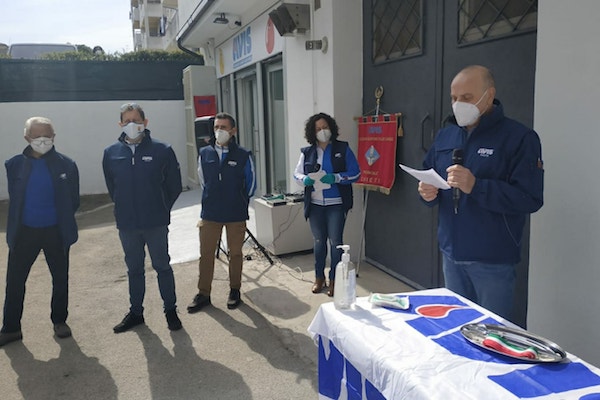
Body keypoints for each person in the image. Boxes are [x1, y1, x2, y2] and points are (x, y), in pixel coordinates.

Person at [418, 65, 544, 321]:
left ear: (489, 95)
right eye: (454, 98)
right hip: (451, 253)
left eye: (466, 97)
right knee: (456, 325)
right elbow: (429, 175)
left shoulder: (519, 138)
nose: (458, 105)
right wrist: (426, 192)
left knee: (491, 332)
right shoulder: (445, 135)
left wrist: (476, 186)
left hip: (492, 260)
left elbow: (529, 198)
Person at [103, 103, 183, 333]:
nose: (132, 125)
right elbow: (113, 187)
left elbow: (174, 186)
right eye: (127, 121)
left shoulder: (163, 150)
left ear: (145, 122)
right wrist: (124, 208)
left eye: (136, 120)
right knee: (134, 269)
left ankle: (170, 310)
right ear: (120, 124)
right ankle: (136, 312)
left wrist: (161, 209)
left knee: (162, 266)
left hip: (155, 223)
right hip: (127, 224)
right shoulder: (111, 153)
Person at [0, 117, 79, 347]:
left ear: (54, 137)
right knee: (15, 281)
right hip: (25, 232)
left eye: (47, 135)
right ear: (27, 138)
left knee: (60, 278)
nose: (42, 140)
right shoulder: (14, 164)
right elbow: (16, 199)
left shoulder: (67, 165)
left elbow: (73, 200)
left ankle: (59, 320)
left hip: (56, 232)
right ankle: (11, 328)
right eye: (37, 136)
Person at [187, 113, 256, 313]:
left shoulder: (243, 155)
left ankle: (235, 290)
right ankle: (203, 293)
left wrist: (239, 200)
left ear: (233, 131)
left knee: (235, 254)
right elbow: (203, 181)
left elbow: (251, 184)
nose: (219, 131)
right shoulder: (205, 153)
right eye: (217, 127)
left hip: (235, 213)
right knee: (206, 254)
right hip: (211, 213)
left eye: (224, 127)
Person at [293, 112, 361, 297]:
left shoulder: (342, 148)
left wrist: (336, 177)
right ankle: (319, 277)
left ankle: (335, 280)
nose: (322, 131)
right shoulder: (307, 152)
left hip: (336, 204)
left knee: (335, 242)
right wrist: (305, 179)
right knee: (318, 242)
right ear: (312, 132)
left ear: (331, 128)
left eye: (325, 127)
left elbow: (356, 173)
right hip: (315, 205)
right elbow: (297, 174)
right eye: (318, 129)